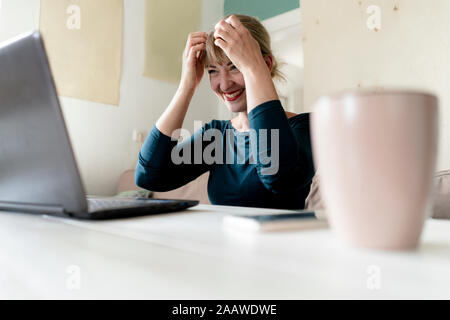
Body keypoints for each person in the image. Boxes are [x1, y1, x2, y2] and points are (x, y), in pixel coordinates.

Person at [135, 14, 315, 209]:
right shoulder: (217, 136)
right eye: (212, 70)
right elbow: (149, 177)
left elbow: (278, 177)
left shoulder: (305, 127)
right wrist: (186, 86)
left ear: (266, 64)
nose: (224, 84)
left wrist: (254, 69)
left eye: (235, 67)